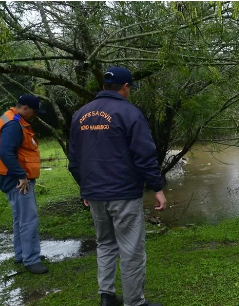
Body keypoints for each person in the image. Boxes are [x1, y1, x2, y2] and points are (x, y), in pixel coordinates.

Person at [68, 67, 166, 306]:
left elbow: (74, 159)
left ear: (103, 87)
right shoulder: (129, 113)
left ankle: (107, 296)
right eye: (129, 88)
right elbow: (144, 155)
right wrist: (157, 187)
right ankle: (134, 302)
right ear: (125, 87)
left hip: (95, 194)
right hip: (123, 194)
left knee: (105, 244)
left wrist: (86, 188)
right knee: (131, 249)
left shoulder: (79, 115)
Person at [0, 94, 49, 274]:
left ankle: (21, 254)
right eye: (33, 111)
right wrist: (21, 176)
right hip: (16, 180)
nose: (34, 115)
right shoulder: (13, 125)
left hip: (9, 177)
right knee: (29, 220)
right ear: (24, 108)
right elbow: (6, 152)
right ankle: (31, 260)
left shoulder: (10, 118)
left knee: (20, 219)